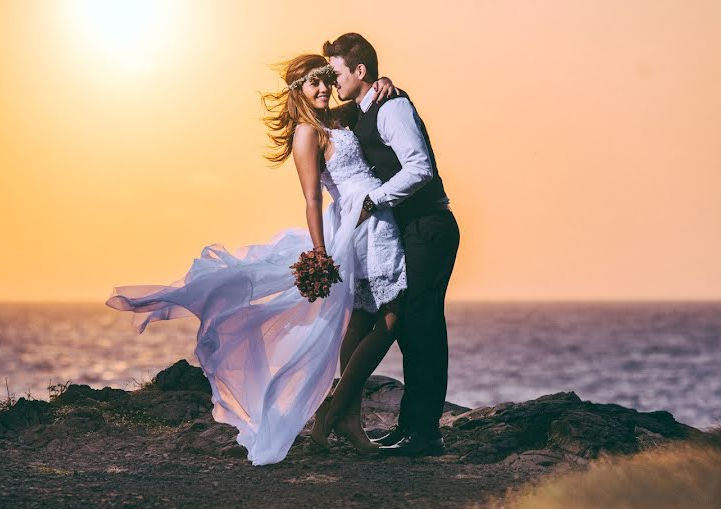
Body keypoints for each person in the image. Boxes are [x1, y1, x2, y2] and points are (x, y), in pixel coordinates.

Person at [106, 54, 405, 465]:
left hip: (375, 220)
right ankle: (337, 414)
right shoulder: (306, 134)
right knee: (383, 315)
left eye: (324, 81)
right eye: (312, 84)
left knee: (361, 318)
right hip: (352, 226)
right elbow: (312, 198)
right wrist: (320, 255)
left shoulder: (337, 119)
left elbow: (365, 97)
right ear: (297, 92)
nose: (321, 88)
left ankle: (334, 420)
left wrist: (384, 79)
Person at [324, 33, 460, 456]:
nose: (332, 81)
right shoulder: (364, 107)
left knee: (421, 326)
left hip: (429, 226)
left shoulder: (393, 107)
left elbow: (420, 167)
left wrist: (373, 200)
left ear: (360, 71)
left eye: (337, 72)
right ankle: (412, 428)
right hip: (408, 230)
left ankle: (424, 434)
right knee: (409, 329)